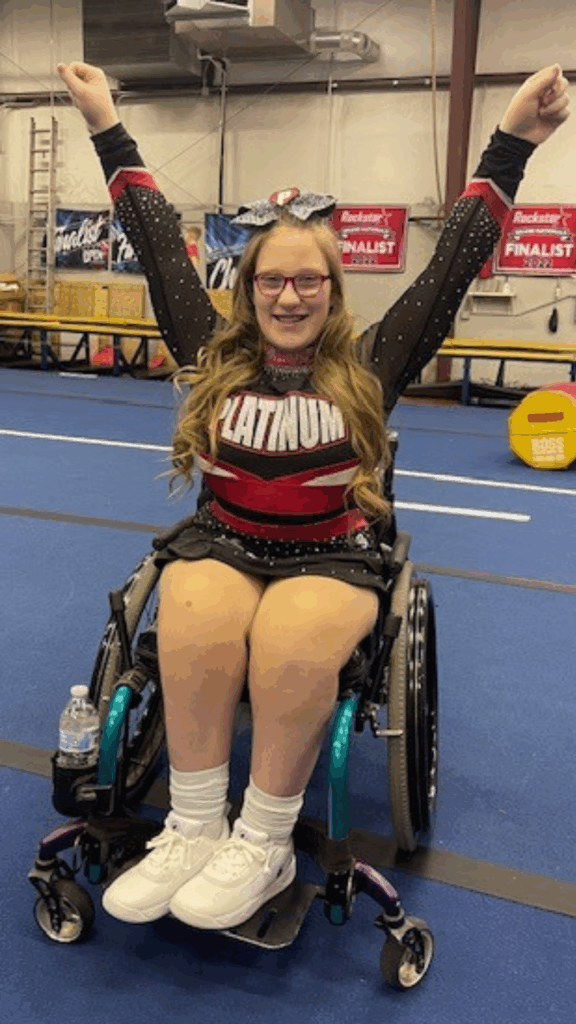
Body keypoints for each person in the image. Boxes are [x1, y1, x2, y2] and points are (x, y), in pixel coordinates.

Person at [57, 60, 569, 932]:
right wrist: (105, 118)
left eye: (308, 282)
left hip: (331, 551)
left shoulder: (369, 364)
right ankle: (191, 827)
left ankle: (261, 843)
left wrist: (512, 140)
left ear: (332, 294)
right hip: (224, 539)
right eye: (270, 281)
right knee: (188, 608)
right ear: (247, 288)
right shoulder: (211, 349)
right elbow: (150, 234)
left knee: (292, 635)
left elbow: (451, 266)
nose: (288, 296)